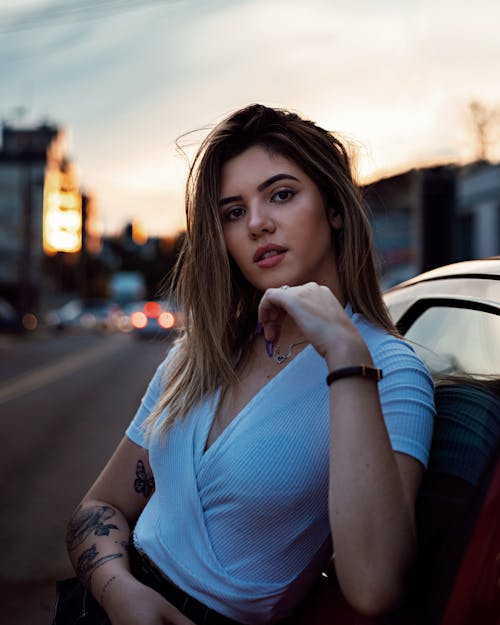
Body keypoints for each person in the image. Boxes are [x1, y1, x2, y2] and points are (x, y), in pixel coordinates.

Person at [65, 104, 436, 625]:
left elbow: (375, 587)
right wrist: (120, 592)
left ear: (333, 207)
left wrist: (345, 352)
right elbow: (96, 508)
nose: (258, 224)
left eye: (281, 195)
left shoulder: (389, 372)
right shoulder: (198, 355)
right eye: (233, 212)